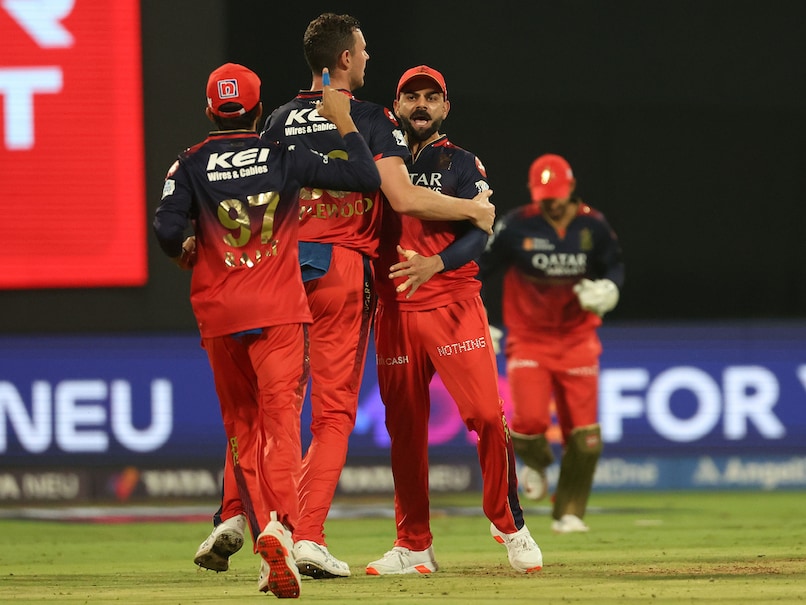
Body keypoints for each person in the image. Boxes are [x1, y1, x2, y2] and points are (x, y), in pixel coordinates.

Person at [193, 13, 497, 581]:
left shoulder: (278, 119)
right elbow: (402, 198)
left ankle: (237, 511)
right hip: (341, 270)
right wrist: (473, 210)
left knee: (269, 408)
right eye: (363, 51)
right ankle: (306, 535)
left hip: (276, 270)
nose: (368, 59)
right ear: (346, 59)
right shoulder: (372, 118)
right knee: (332, 413)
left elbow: (252, 196)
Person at [153, 62, 380, 598]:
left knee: (243, 427)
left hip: (220, 313)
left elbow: (165, 227)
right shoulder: (283, 155)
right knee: (281, 424)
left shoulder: (188, 162)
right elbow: (365, 178)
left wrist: (185, 247)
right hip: (278, 308)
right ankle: (281, 527)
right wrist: (346, 125)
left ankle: (248, 522)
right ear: (258, 111)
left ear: (210, 110)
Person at [365, 65, 543, 576]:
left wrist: (435, 264)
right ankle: (413, 545)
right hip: (395, 311)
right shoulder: (376, 161)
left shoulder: (462, 163)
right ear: (397, 106)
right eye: (411, 97)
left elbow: (479, 234)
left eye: (430, 97)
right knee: (404, 431)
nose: (420, 105)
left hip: (453, 305)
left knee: (487, 416)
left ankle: (509, 523)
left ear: (445, 107)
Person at [478, 153, 624, 534]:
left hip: (578, 338)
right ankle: (538, 463)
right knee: (528, 422)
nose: (551, 204)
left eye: (556, 196)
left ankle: (570, 512)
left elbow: (614, 264)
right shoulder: (515, 225)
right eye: (544, 197)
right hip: (528, 339)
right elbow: (477, 269)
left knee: (585, 435)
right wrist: (476, 318)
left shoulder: (593, 225)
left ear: (571, 188)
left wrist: (610, 288)